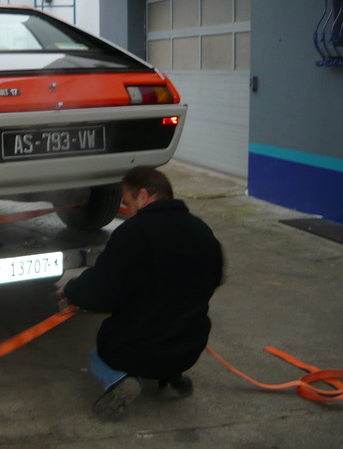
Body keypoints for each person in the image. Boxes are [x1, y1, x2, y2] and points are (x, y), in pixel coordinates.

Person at [59, 166, 224, 421]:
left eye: (127, 203)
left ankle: (119, 381)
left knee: (98, 356)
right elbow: (215, 278)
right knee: (170, 326)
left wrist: (71, 292)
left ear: (144, 196)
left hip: (137, 349)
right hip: (190, 346)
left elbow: (99, 291)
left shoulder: (133, 233)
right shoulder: (202, 231)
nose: (127, 211)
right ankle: (171, 375)